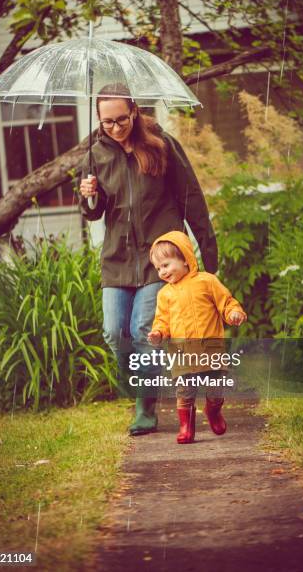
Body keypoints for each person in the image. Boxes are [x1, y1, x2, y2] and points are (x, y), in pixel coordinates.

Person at [79, 83, 217, 436]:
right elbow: (94, 213)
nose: (114, 127)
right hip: (118, 258)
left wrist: (208, 251)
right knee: (113, 333)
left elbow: (191, 197)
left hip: (162, 256)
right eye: (107, 122)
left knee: (144, 330)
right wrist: (90, 197)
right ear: (99, 119)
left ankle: (145, 406)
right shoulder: (96, 154)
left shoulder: (161, 144)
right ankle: (143, 388)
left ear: (135, 111)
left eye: (121, 119)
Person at [148, 230, 247, 444]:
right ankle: (186, 427)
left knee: (215, 389)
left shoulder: (207, 281)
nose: (162, 272)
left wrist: (233, 313)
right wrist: (158, 332)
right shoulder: (164, 294)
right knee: (184, 391)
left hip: (211, 351)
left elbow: (226, 302)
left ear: (185, 258)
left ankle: (213, 411)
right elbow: (162, 320)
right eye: (158, 268)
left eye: (166, 265)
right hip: (182, 354)